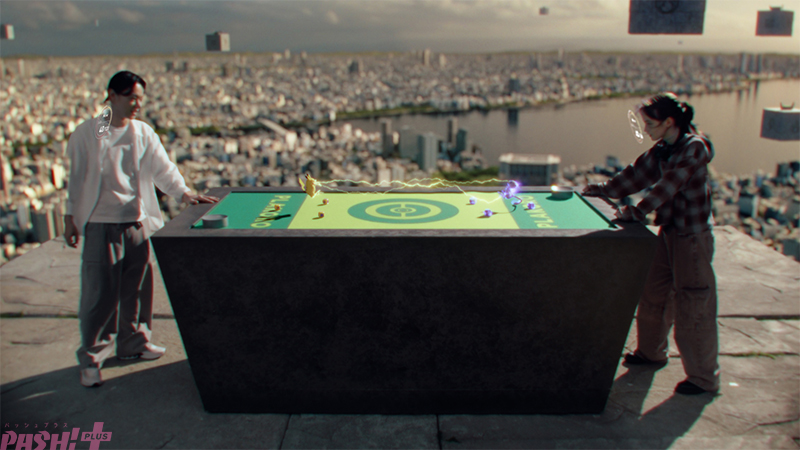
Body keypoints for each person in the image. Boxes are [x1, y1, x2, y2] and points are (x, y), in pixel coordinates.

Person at [64, 71, 218, 387]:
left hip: (136, 221)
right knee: (100, 295)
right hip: (101, 224)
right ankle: (92, 358)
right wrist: (70, 218)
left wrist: (185, 194)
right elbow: (76, 178)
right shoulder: (90, 132)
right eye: (131, 97)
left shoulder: (142, 132)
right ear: (112, 95)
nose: (137, 104)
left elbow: (163, 169)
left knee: (137, 289)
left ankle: (134, 343)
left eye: (140, 99)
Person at [582, 92, 719, 396]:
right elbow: (636, 175)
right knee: (654, 293)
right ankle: (651, 352)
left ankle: (703, 378)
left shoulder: (693, 147)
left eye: (651, 124)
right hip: (669, 230)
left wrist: (639, 210)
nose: (645, 129)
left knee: (693, 303)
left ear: (669, 122)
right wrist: (602, 190)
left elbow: (670, 184)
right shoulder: (663, 148)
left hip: (692, 235)